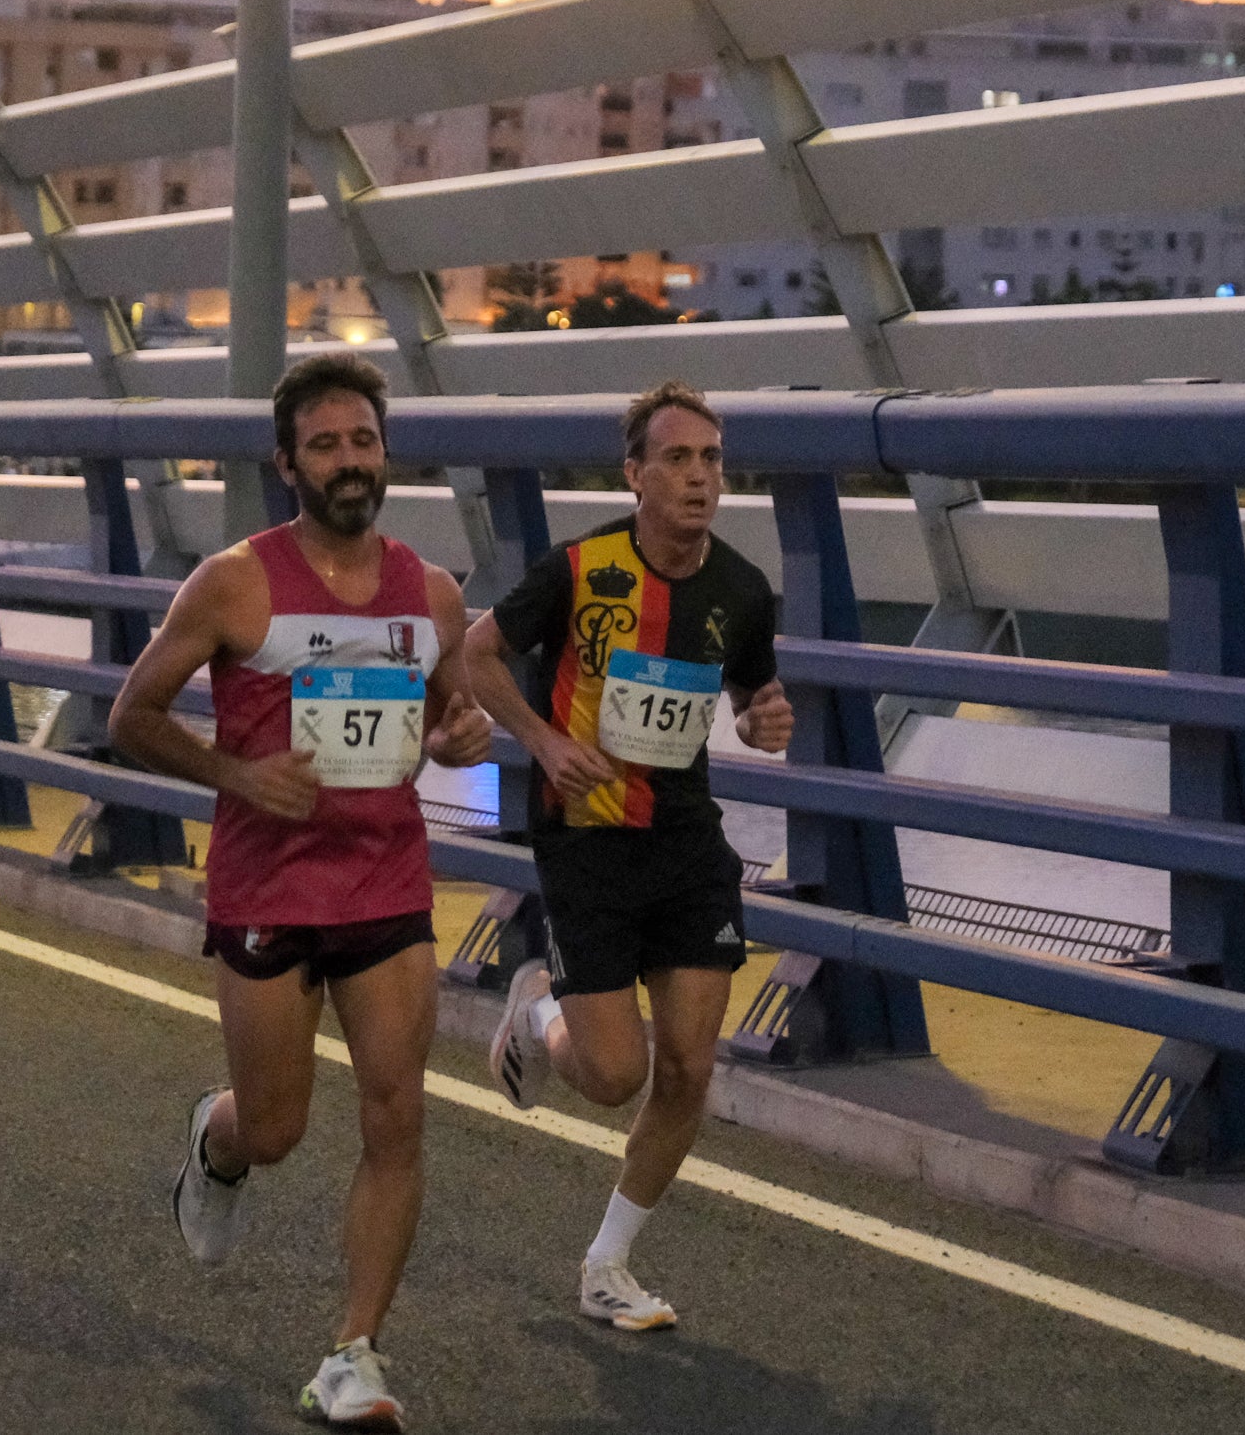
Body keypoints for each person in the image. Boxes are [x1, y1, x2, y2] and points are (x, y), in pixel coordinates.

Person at [109, 352, 492, 1432]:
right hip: (267, 883)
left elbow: (457, 726)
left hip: (384, 878)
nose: (348, 461)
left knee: (396, 1113)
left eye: (362, 441)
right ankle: (216, 1142)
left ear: (386, 454)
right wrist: (237, 774)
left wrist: (471, 734)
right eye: (324, 445)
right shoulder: (234, 582)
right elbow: (130, 716)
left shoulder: (433, 594)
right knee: (277, 1128)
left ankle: (353, 1354)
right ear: (287, 463)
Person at [462, 380, 794, 1332]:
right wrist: (539, 738)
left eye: (712, 460)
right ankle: (537, 1015)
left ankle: (607, 1265)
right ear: (635, 474)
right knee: (614, 1077)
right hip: (588, 845)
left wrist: (765, 718)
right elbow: (479, 655)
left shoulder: (739, 589)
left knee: (688, 1071)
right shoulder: (575, 569)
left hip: (687, 844)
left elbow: (752, 701)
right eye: (679, 459)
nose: (699, 478)